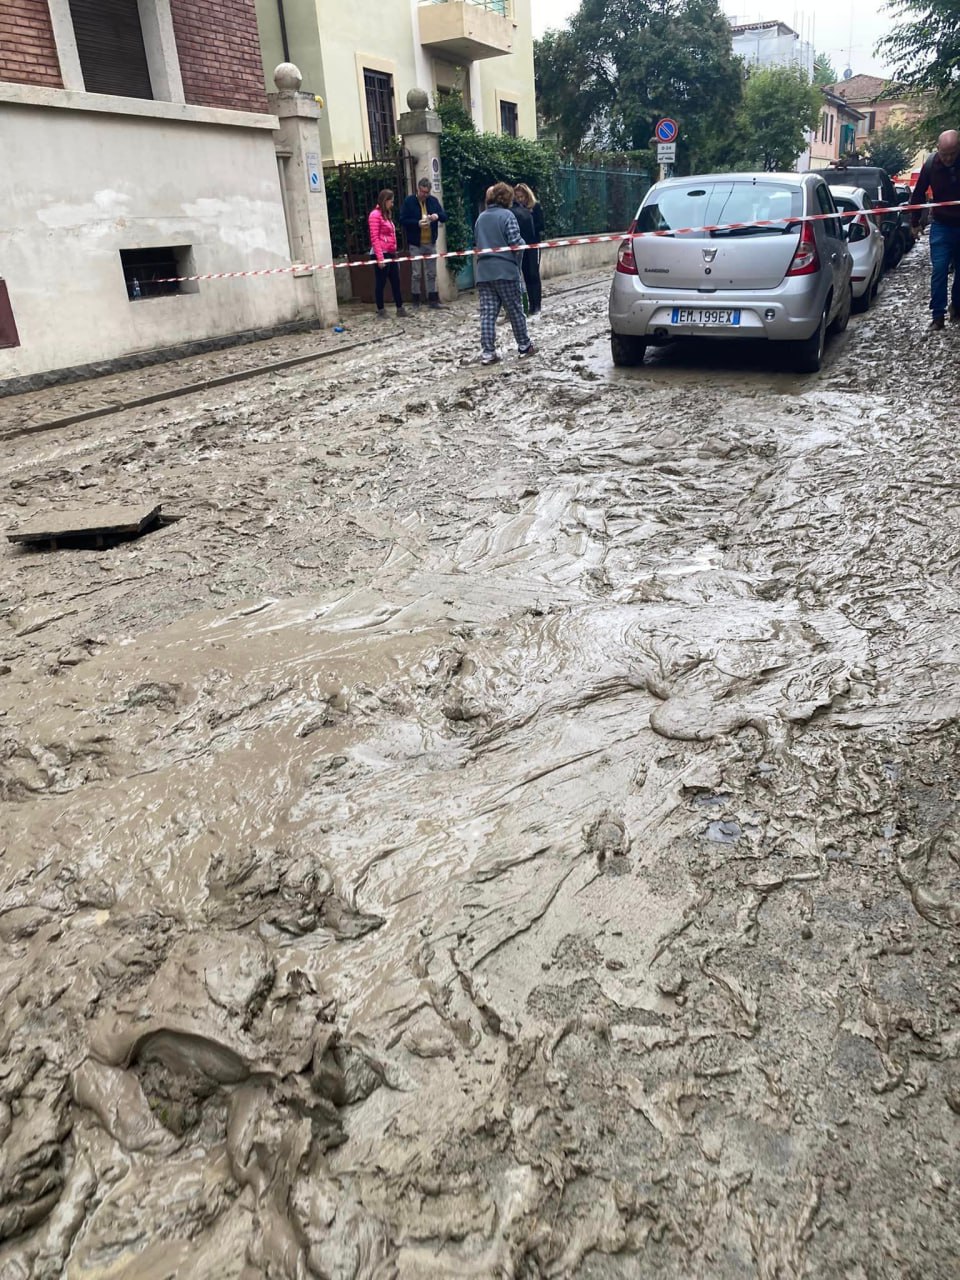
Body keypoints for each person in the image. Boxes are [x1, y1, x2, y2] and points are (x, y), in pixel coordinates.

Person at [474, 183, 536, 365]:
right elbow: (515, 243)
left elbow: (477, 242)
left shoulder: (480, 218)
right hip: (505, 271)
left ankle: (488, 352)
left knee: (487, 314)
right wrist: (518, 260)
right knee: (516, 311)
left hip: (484, 273)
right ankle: (524, 345)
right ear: (507, 199)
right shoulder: (507, 216)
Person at [910, 130, 960, 330]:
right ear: (938, 149)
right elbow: (918, 193)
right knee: (939, 270)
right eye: (944, 153)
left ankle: (956, 305)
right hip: (941, 224)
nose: (948, 158)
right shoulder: (931, 165)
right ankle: (937, 315)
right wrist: (915, 222)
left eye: (952, 153)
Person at [400, 178, 448, 309]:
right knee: (416, 273)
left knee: (431, 272)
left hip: (430, 242)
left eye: (427, 192)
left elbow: (444, 216)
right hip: (416, 243)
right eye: (423, 192)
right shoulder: (409, 201)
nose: (425, 195)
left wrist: (437, 216)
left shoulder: (433, 201)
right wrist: (416, 223)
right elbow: (402, 219)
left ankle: (432, 299)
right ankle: (416, 300)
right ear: (418, 189)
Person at [367, 189, 407, 319]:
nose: (392, 204)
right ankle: (381, 309)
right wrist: (380, 258)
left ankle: (400, 308)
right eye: (391, 201)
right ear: (386, 201)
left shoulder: (386, 215)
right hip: (381, 253)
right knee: (381, 282)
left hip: (390, 252)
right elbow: (375, 238)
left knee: (396, 280)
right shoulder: (375, 215)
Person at [513, 183, 544, 316]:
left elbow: (541, 225)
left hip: (533, 244)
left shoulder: (535, 207)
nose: (520, 199)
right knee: (525, 273)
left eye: (522, 197)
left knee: (533, 273)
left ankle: (536, 304)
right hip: (522, 245)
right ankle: (530, 305)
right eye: (517, 197)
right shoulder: (515, 209)